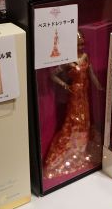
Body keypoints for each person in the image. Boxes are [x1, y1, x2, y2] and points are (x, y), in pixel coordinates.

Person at [43, 32, 102, 179]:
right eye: (78, 44)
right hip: (75, 94)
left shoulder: (85, 57)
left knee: (85, 121)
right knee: (74, 121)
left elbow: (91, 74)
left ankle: (81, 150)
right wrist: (65, 85)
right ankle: (70, 150)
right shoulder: (68, 60)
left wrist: (99, 86)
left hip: (85, 94)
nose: (81, 46)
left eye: (82, 44)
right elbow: (53, 75)